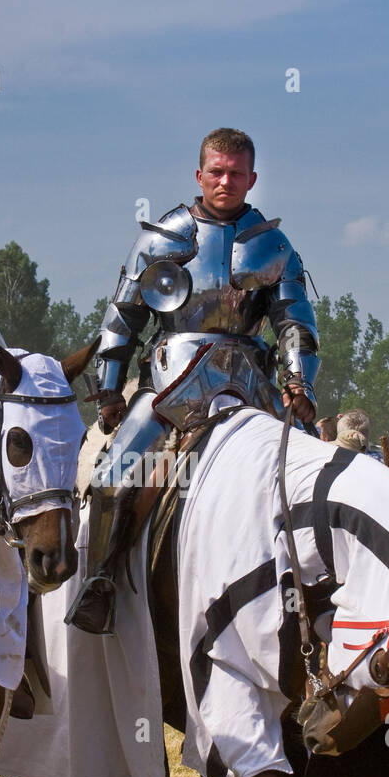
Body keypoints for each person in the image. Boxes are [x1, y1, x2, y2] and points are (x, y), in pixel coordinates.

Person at [67, 126, 319, 634]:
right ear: (198, 175)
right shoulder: (163, 237)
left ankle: (320, 586)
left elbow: (296, 321)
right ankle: (102, 581)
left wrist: (298, 381)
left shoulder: (272, 244)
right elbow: (122, 317)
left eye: (236, 173)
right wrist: (111, 388)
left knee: (312, 464)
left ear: (252, 178)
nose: (226, 182)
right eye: (217, 172)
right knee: (119, 468)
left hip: (249, 380)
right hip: (172, 377)